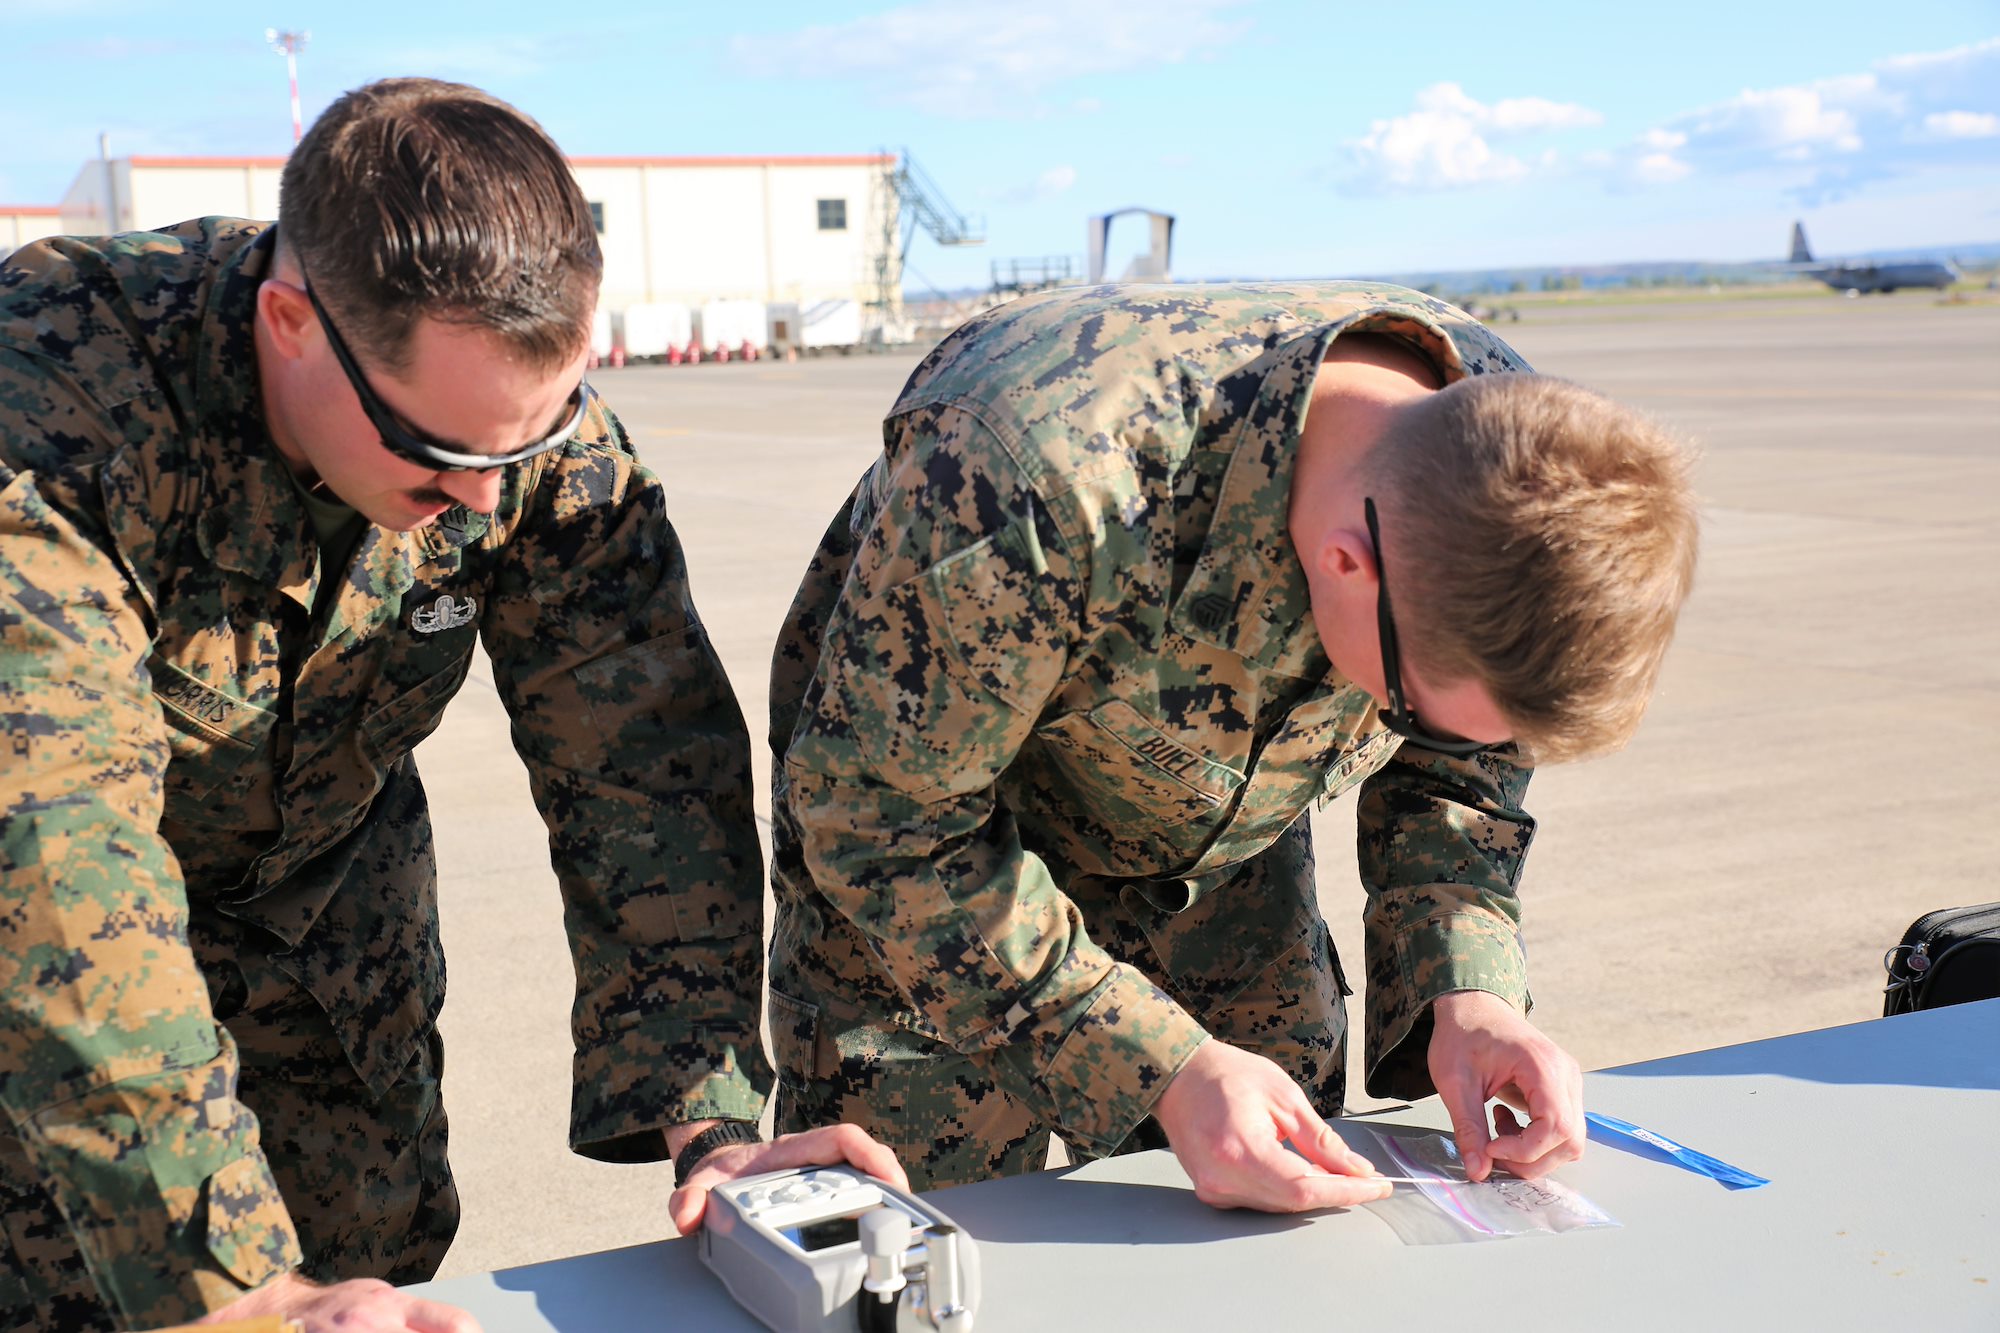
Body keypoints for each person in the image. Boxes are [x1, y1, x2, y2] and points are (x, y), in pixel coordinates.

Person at [0, 78, 898, 1333]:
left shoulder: (512, 425)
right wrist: (241, 1292)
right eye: (440, 458)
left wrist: (711, 1116)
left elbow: (640, 765)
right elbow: (56, 861)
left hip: (332, 944)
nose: (486, 504)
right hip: (55, 997)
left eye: (522, 449)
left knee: (376, 1275)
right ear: (291, 324)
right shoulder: (51, 418)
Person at [767, 282, 1697, 1212]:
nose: (1427, 732)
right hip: (931, 891)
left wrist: (1469, 990)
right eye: (1410, 710)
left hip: (1223, 859)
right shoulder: (1038, 480)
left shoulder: (1512, 464)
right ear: (1345, 562)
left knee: (1272, 1234)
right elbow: (882, 822)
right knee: (918, 1250)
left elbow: (1463, 764)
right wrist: (1159, 1065)